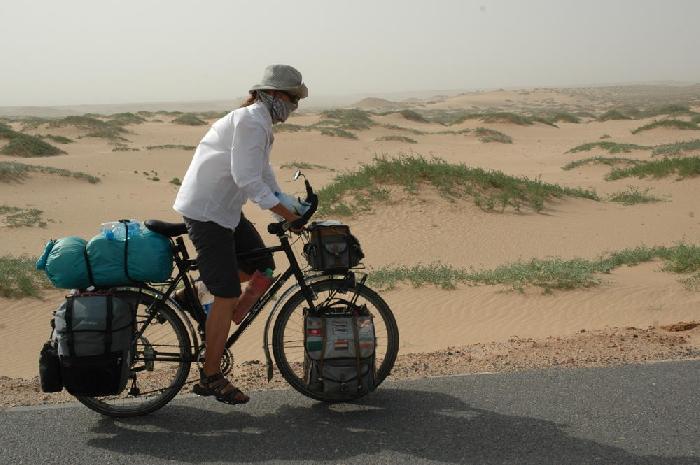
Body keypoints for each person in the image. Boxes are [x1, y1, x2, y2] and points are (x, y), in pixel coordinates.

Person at [173, 64, 308, 405]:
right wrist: (285, 215)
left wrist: (288, 204)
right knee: (227, 293)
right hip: (208, 211)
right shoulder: (250, 120)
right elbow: (247, 180)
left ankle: (194, 297)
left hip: (226, 209)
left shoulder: (259, 122)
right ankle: (211, 375)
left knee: (261, 264)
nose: (294, 107)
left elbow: (263, 175)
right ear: (275, 95)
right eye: (292, 99)